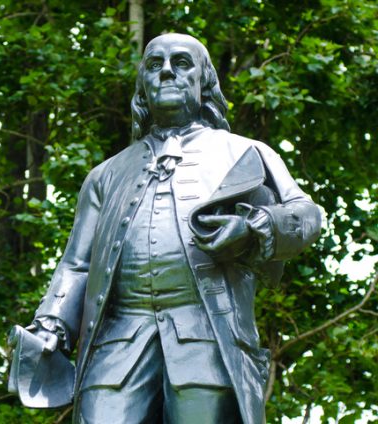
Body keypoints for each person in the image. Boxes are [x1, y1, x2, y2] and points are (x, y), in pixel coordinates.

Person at [25, 33, 321, 424]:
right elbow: (77, 265)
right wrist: (52, 324)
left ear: (204, 81)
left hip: (208, 341)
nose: (166, 72)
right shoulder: (106, 175)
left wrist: (253, 228)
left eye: (181, 63)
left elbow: (306, 215)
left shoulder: (244, 153)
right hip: (117, 349)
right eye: (154, 65)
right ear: (142, 87)